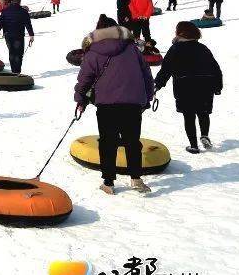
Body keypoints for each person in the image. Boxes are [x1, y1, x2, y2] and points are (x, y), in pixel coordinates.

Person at [74, 16, 154, 195]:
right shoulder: (132, 49)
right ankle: (136, 178)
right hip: (133, 103)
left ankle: (108, 182)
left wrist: (80, 99)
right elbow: (146, 74)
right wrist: (147, 96)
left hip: (106, 104)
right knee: (132, 141)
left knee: (107, 142)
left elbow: (85, 78)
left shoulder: (93, 52)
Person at [154, 21, 223, 154]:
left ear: (180, 33)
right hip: (205, 85)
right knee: (203, 112)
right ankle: (204, 135)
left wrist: (158, 84)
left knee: (189, 115)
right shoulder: (203, 48)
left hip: (185, 86)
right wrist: (217, 85)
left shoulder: (175, 49)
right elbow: (215, 68)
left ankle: (193, 145)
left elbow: (166, 69)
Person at [0, 0, 34, 73]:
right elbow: (28, 24)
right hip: (19, 35)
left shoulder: (5, 11)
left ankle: (13, 71)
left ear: (11, 1)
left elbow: (0, 22)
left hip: (8, 35)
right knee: (19, 53)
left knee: (12, 52)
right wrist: (31, 35)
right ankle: (17, 71)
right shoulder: (24, 12)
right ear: (20, 1)